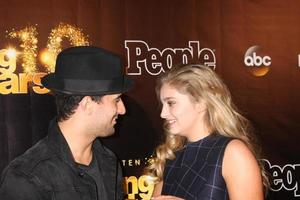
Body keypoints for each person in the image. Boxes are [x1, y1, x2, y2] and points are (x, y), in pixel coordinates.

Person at [0, 46, 133, 200]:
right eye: (116, 100)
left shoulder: (108, 160)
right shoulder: (26, 178)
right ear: (87, 104)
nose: (123, 109)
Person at [145, 64, 269, 200]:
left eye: (171, 103)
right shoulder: (173, 156)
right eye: (162, 104)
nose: (163, 113)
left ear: (201, 102)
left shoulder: (232, 152)